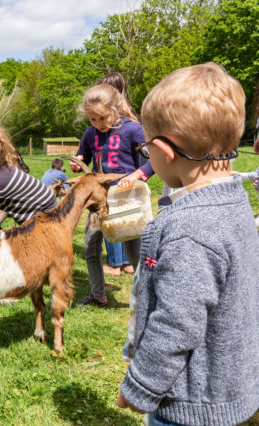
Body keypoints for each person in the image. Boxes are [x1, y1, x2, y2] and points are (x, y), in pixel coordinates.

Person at [116, 63, 259, 425]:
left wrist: (140, 387)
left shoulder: (190, 230)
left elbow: (177, 324)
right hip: (227, 387)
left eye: (147, 150)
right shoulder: (235, 201)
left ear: (164, 150)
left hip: (190, 405)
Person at [70, 84, 154, 307]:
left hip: (126, 202)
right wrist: (79, 162)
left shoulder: (134, 130)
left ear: (116, 108)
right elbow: (85, 155)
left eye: (102, 118)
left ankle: (144, 299)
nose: (98, 124)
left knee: (135, 253)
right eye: (92, 119)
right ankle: (98, 295)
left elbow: (155, 159)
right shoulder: (91, 133)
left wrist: (137, 174)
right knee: (90, 249)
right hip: (99, 200)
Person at [98, 72, 139, 277]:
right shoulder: (126, 120)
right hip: (123, 181)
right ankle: (127, 263)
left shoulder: (126, 125)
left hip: (117, 182)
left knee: (114, 221)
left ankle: (116, 264)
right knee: (125, 222)